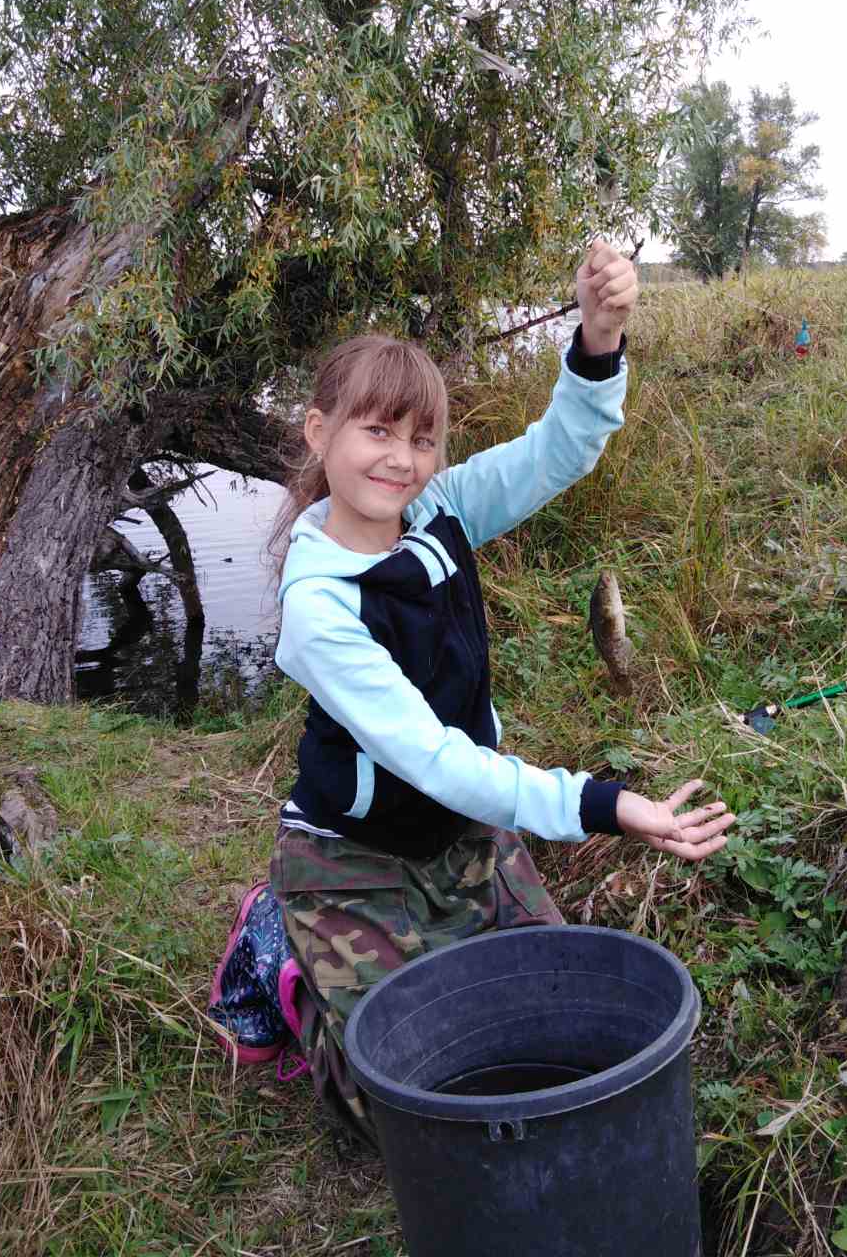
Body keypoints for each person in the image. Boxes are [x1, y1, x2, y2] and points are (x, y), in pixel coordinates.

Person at [267, 241, 734, 1143]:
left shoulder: (441, 508)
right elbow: (439, 761)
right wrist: (604, 804)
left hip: (465, 831)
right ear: (319, 432)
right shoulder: (318, 608)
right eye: (377, 432)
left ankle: (419, 943)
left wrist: (598, 339)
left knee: (549, 1021)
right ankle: (294, 976)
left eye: (422, 438)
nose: (402, 460)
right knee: (403, 1109)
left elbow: (561, 450)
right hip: (354, 858)